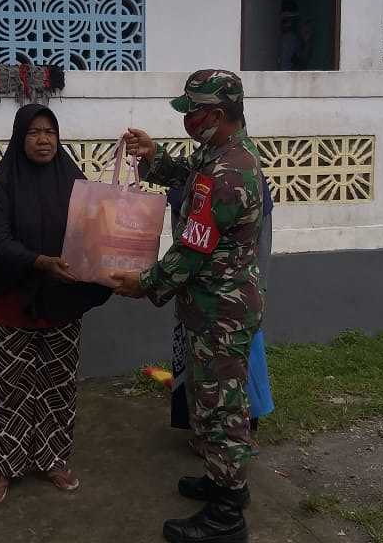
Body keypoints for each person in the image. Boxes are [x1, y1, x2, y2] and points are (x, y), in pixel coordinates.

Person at [112, 70, 265, 543]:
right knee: (208, 399)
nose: (186, 119)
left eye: (192, 111)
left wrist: (143, 283)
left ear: (217, 115)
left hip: (222, 309)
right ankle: (222, 482)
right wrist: (155, 157)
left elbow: (193, 249)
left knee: (223, 410)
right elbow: (188, 175)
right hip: (212, 303)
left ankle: (227, 516)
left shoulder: (229, 173)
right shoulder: (220, 155)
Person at [0, 104, 112, 505]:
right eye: (33, 132)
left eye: (50, 131)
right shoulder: (2, 185)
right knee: (10, 389)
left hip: (61, 302)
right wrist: (39, 262)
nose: (43, 139)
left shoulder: (72, 180)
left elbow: (94, 224)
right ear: (20, 138)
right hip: (14, 301)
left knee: (58, 386)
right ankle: (3, 466)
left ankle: (53, 459)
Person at [166, 177, 275, 440]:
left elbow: (261, 244)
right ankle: (203, 432)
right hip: (197, 294)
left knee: (234, 371)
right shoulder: (187, 179)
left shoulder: (249, 177)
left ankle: (235, 439)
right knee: (199, 367)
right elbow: (180, 241)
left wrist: (258, 289)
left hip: (235, 299)